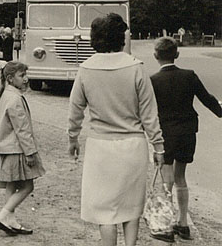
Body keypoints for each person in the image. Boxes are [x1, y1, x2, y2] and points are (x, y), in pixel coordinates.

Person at [67, 13, 165, 246]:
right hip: (132, 147)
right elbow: (149, 114)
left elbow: (75, 110)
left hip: (100, 147)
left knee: (104, 210)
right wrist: (158, 146)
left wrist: (73, 138)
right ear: (121, 38)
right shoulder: (136, 68)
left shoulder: (86, 69)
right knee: (131, 207)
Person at [151, 37, 222, 240]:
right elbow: (207, 98)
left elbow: (148, 110)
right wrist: (220, 112)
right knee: (181, 177)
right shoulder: (189, 76)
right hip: (187, 132)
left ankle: (166, 225)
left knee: (167, 181)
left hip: (165, 134)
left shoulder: (153, 80)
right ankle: (183, 224)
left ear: (156, 56)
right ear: (177, 54)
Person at [0, 61, 45, 236]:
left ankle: (10, 220)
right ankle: (2, 216)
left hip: (5, 148)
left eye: (26, 75)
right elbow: (22, 129)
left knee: (12, 184)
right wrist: (31, 152)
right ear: (10, 79)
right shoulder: (15, 98)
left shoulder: (6, 94)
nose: (26, 79)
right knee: (28, 187)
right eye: (22, 76)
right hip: (16, 149)